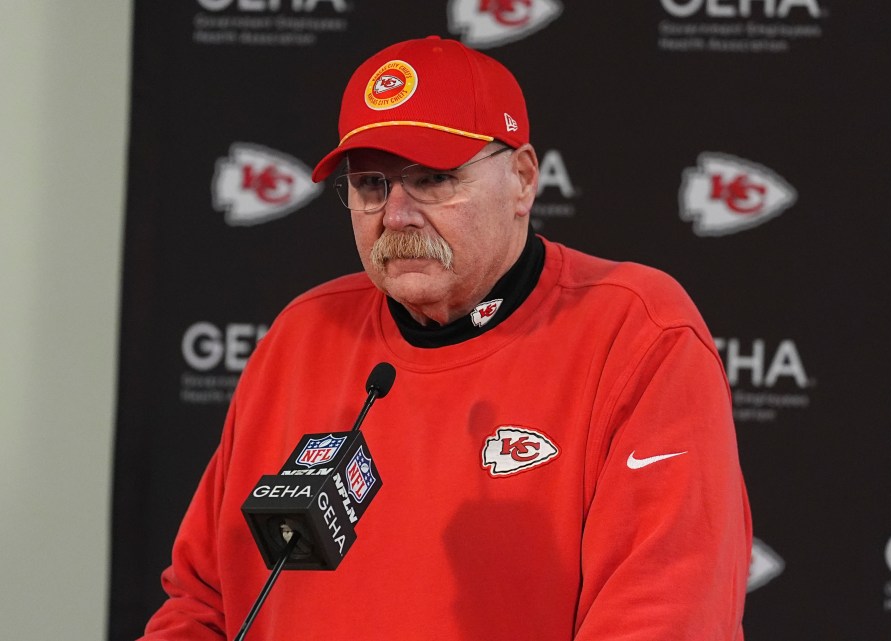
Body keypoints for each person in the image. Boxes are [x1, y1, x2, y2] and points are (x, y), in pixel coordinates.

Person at [140, 36, 752, 641]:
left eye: (433, 178)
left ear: (522, 178)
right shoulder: (300, 337)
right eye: (371, 185)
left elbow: (665, 618)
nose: (397, 214)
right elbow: (201, 602)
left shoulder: (638, 332)